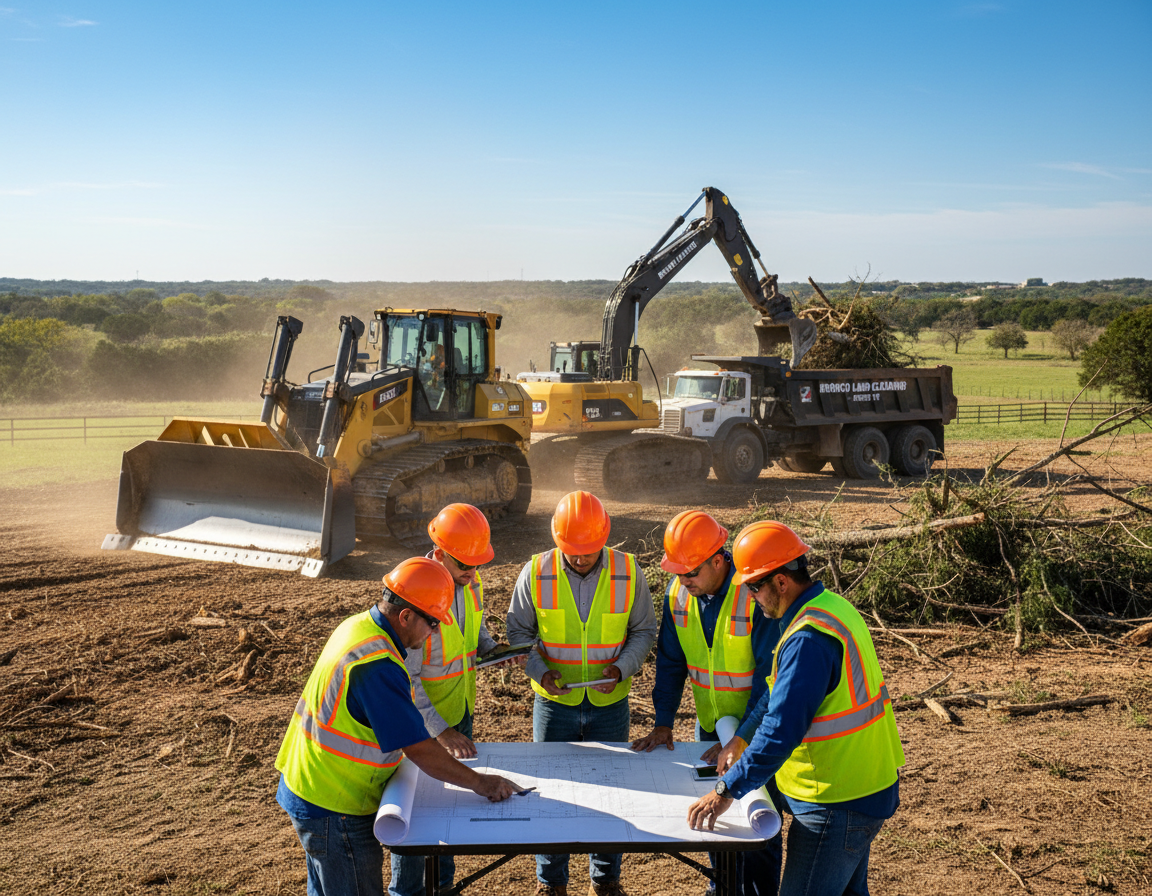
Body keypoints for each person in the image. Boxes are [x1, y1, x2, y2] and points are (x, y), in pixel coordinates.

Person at [276, 557, 521, 896]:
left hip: (312, 786)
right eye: (432, 623)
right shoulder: (377, 665)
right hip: (336, 807)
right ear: (406, 615)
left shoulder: (359, 627)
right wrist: (481, 783)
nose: (434, 632)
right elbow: (419, 748)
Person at [686, 522, 905, 896]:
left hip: (836, 802)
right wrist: (740, 738)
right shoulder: (832, 608)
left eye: (754, 587)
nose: (752, 597)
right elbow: (777, 697)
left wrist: (725, 790)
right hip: (863, 786)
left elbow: (781, 729)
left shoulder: (807, 638)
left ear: (782, 582)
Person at [506, 490, 659, 896]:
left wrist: (622, 668)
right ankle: (551, 883)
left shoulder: (629, 571)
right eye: (572, 551)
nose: (580, 558)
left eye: (588, 551)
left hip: (611, 705)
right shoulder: (535, 571)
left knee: (614, 790)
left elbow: (644, 630)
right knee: (551, 793)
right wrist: (540, 671)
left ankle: (606, 880)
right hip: (554, 704)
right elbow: (518, 633)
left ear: (604, 539)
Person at [630, 510, 781, 896]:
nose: (684, 580)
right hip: (710, 726)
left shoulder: (754, 594)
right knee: (719, 817)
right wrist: (664, 720)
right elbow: (671, 660)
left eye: (691, 572)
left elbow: (772, 677)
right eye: (678, 572)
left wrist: (744, 737)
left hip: (757, 729)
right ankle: (723, 887)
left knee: (758, 819)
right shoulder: (678, 593)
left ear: (719, 560)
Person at [391, 503, 525, 896]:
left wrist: (494, 649)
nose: (472, 571)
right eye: (463, 563)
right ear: (439, 550)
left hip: (459, 714)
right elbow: (408, 679)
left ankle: (445, 887)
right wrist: (442, 731)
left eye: (476, 563)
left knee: (450, 808)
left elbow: (473, 635)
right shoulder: (418, 593)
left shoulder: (471, 583)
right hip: (424, 727)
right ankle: (409, 891)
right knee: (415, 816)